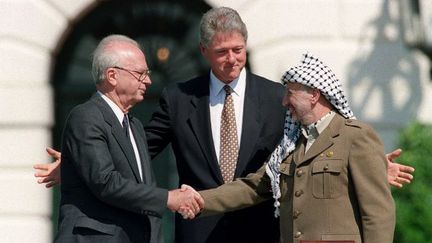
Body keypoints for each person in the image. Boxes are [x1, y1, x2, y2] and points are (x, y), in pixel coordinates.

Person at [34, 6, 413, 243]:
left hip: (261, 230)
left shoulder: (274, 95)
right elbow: (136, 151)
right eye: (221, 52)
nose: (232, 59)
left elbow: (309, 150)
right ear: (204, 52)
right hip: (198, 229)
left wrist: (374, 167)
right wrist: (78, 163)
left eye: (238, 50)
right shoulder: (180, 97)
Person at [183, 53, 396, 243]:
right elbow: (253, 187)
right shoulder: (290, 144)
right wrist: (200, 200)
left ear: (314, 95)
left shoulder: (355, 137)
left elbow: (378, 213)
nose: (284, 102)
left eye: (290, 94)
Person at [53, 34, 203, 243]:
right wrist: (169, 198)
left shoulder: (135, 126)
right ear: (112, 75)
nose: (149, 80)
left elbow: (143, 190)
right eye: (140, 74)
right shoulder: (86, 116)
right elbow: (105, 181)